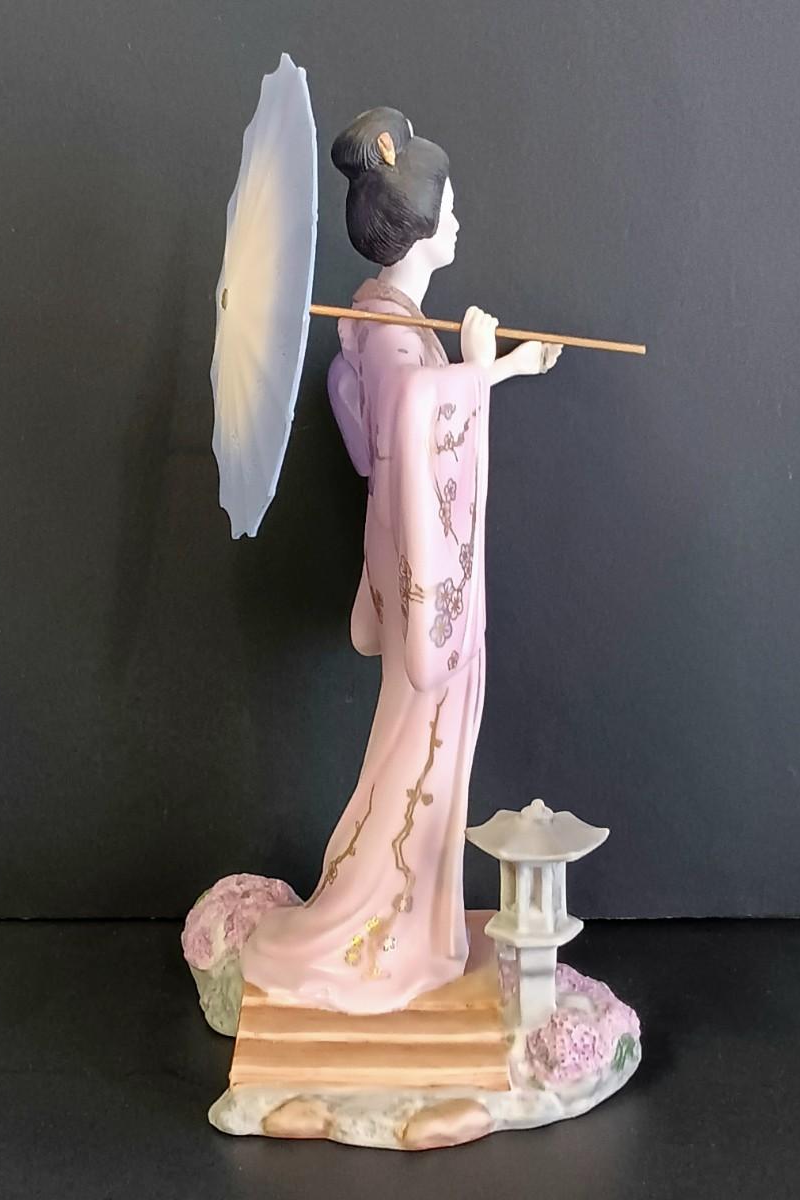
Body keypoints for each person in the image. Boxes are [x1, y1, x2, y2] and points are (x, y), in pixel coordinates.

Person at [241, 108, 561, 1013]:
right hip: (427, 587)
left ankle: (407, 925)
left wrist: (495, 370)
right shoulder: (387, 334)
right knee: (418, 756)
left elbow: (408, 418)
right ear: (419, 227)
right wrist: (484, 369)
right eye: (449, 208)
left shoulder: (385, 322)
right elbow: (418, 417)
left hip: (416, 568)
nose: (458, 220)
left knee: (418, 755)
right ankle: (372, 932)